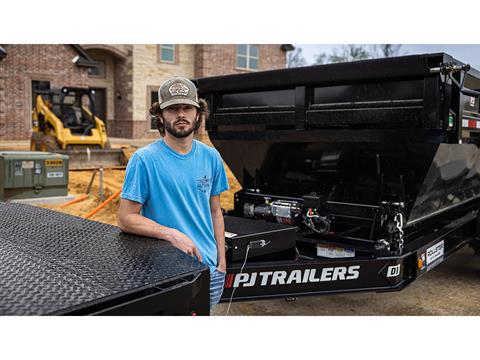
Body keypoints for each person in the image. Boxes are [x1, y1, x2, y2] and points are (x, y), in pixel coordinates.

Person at [117, 76, 230, 310]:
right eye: (173, 108)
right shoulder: (144, 160)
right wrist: (171, 234)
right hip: (165, 273)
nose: (181, 114)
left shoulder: (212, 157)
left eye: (187, 107)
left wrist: (222, 262)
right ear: (160, 115)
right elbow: (126, 218)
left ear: (198, 114)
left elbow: (215, 211)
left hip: (210, 269)